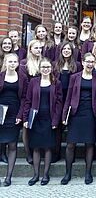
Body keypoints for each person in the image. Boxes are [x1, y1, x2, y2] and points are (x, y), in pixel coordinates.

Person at [61, 53, 96, 185]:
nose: (90, 64)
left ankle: (88, 173)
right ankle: (67, 173)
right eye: (87, 61)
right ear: (82, 62)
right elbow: (68, 97)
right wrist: (64, 114)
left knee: (89, 143)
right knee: (71, 144)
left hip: (90, 113)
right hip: (76, 113)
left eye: (92, 62)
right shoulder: (74, 77)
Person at [23, 58, 63, 186]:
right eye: (43, 67)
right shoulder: (33, 82)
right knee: (35, 147)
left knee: (47, 148)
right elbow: (28, 101)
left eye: (48, 67)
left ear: (51, 69)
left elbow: (59, 103)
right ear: (40, 69)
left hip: (50, 118)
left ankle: (45, 175)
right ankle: (36, 175)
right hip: (35, 118)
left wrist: (56, 120)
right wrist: (25, 118)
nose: (45, 69)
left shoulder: (56, 82)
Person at [52, 42, 82, 162]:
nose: (66, 51)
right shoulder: (55, 65)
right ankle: (56, 153)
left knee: (71, 126)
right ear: (60, 50)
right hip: (58, 99)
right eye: (64, 49)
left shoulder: (77, 65)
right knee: (58, 127)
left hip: (72, 98)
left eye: (68, 49)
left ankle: (71, 155)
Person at [0, 53, 27, 186]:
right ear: (5, 62)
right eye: (9, 61)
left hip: (14, 114)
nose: (12, 64)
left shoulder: (22, 78)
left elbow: (24, 98)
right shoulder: (0, 77)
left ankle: (8, 177)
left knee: (12, 145)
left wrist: (20, 115)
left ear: (17, 64)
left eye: (14, 62)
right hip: (0, 113)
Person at [19, 39, 43, 165]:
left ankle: (37, 150)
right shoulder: (24, 64)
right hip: (29, 98)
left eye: (40, 48)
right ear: (30, 49)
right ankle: (28, 153)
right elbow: (24, 83)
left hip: (43, 97)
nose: (39, 50)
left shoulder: (43, 62)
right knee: (27, 126)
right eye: (36, 48)